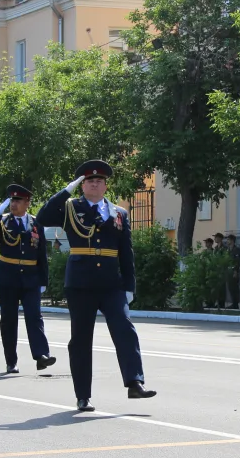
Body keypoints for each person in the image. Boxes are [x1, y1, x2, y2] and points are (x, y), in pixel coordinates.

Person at [35, 160, 154, 412]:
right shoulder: (70, 207)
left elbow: (126, 251)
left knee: (125, 329)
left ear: (105, 185)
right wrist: (65, 191)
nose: (95, 183)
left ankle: (135, 382)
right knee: (81, 339)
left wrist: (129, 285)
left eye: (99, 180)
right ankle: (83, 395)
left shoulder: (118, 212)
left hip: (112, 283)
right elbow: (43, 218)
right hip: (81, 282)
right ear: (82, 185)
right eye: (89, 180)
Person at [0, 183, 55, 374]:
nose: (13, 204)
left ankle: (41, 356)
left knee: (34, 317)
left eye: (17, 200)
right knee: (9, 320)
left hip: (31, 278)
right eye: (12, 200)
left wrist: (43, 281)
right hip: (8, 278)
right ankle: (11, 361)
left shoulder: (35, 223)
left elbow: (41, 254)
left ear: (27, 203)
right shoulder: (2, 222)